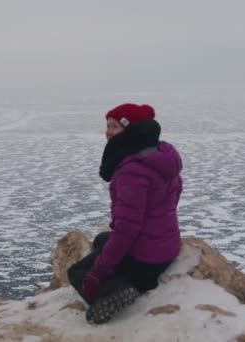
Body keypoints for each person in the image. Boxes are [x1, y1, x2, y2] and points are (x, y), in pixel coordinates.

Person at [67, 103, 183, 324]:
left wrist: (97, 274)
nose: (108, 131)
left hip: (147, 260)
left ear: (131, 130)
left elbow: (126, 231)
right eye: (107, 125)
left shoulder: (132, 171)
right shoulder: (161, 156)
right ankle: (130, 278)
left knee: (77, 272)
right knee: (102, 240)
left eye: (115, 126)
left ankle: (122, 290)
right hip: (167, 246)